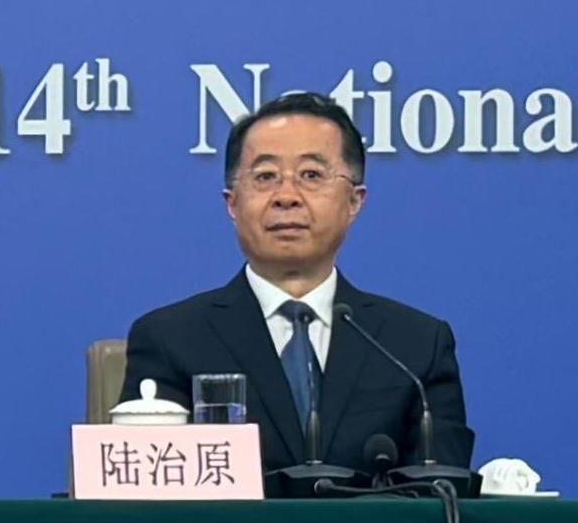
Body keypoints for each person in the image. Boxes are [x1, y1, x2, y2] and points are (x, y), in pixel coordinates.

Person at [122, 90, 469, 480]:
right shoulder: (170, 340)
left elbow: (442, 495)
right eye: (265, 177)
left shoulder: (415, 347)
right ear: (232, 203)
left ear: (354, 201)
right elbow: (146, 496)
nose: (286, 197)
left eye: (311, 175)